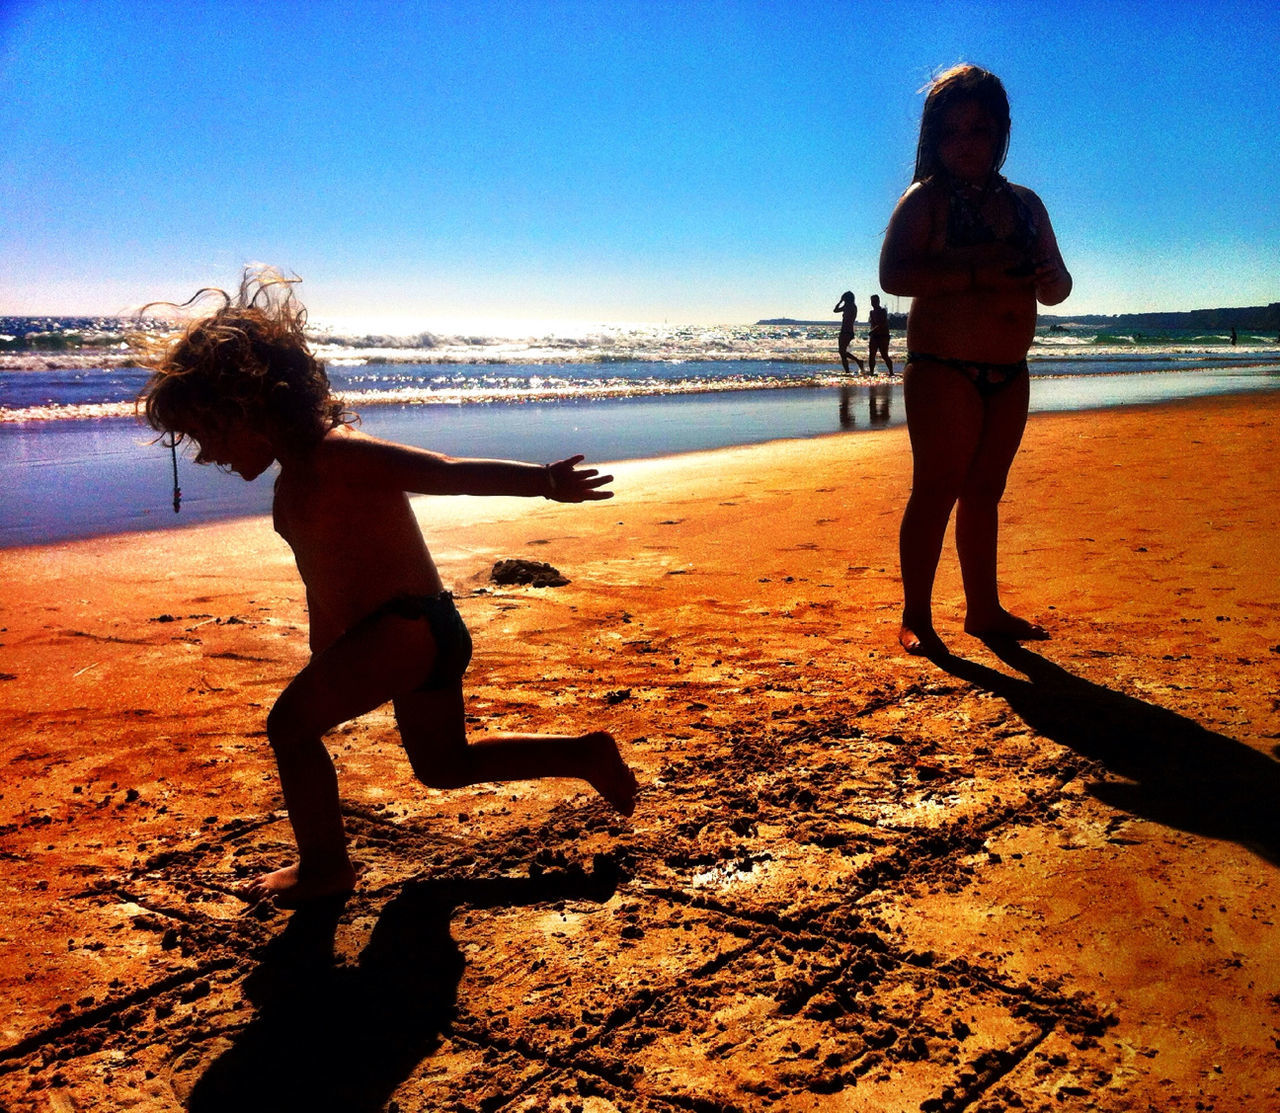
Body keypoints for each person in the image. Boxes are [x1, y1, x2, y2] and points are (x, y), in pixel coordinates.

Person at [137, 269, 638, 905]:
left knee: (290, 728)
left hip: (405, 629)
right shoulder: (291, 486)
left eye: (207, 436)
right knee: (443, 766)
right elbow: (324, 581)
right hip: (413, 634)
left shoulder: (338, 454)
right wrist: (328, 653)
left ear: (251, 408)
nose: (207, 455)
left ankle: (325, 867)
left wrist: (542, 480)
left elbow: (446, 473)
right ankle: (583, 755)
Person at [879, 64, 1072, 655]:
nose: (966, 143)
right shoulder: (926, 200)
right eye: (953, 131)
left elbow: (1058, 288)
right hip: (944, 368)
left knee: (986, 490)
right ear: (934, 139)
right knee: (936, 488)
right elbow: (893, 276)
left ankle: (983, 608)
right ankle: (916, 613)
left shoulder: (1025, 204)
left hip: (1009, 372)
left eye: (980, 130)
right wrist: (974, 271)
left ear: (1002, 133)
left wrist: (1048, 275)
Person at [833, 291, 865, 374]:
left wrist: (841, 302)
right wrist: (840, 302)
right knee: (842, 352)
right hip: (845, 330)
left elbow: (836, 310)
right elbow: (835, 310)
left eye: (844, 298)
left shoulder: (851, 306)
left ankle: (858, 361)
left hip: (847, 331)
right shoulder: (849, 306)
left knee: (842, 351)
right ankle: (847, 371)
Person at [867, 294, 894, 376]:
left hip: (883, 336)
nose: (873, 303)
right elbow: (872, 324)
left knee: (884, 355)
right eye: (872, 301)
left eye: (875, 301)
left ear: (878, 301)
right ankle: (871, 373)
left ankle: (891, 372)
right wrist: (872, 332)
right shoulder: (871, 312)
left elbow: (882, 323)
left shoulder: (883, 311)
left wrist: (873, 330)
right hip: (874, 336)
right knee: (872, 355)